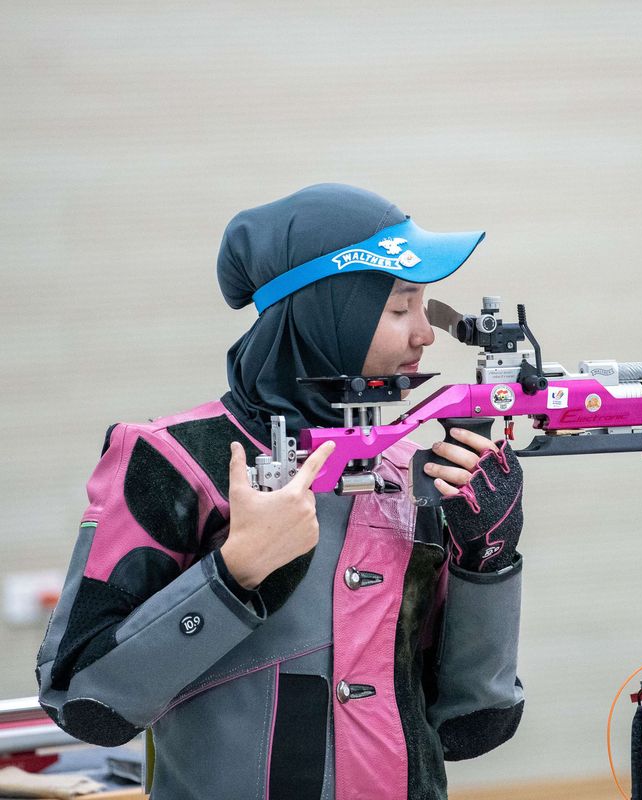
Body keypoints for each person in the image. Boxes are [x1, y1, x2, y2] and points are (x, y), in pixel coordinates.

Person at [35, 184, 525, 800]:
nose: (426, 334)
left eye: (424, 307)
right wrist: (234, 574)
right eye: (402, 308)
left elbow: (472, 725)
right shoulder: (176, 459)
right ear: (325, 308)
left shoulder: (413, 467)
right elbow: (86, 702)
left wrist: (490, 564)